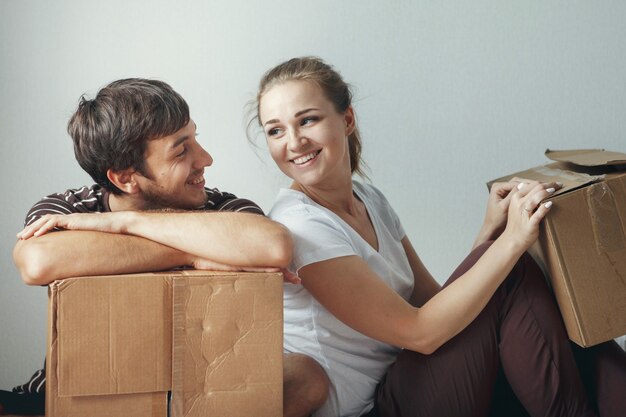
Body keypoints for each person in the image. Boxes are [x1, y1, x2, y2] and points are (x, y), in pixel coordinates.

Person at [250, 56, 626, 417]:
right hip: (376, 408)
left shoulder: (370, 199)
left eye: (308, 120)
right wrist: (510, 243)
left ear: (346, 119)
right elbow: (421, 334)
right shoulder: (301, 226)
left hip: (413, 384)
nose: (294, 142)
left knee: (567, 324)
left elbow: (436, 303)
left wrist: (490, 233)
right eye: (276, 130)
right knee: (513, 269)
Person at [2, 78, 328, 417]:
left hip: (202, 398)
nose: (205, 159)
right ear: (125, 178)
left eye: (195, 139)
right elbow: (38, 262)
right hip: (71, 397)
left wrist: (126, 224)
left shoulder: (221, 208)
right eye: (181, 150)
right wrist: (194, 254)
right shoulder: (70, 208)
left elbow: (272, 245)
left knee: (307, 375)